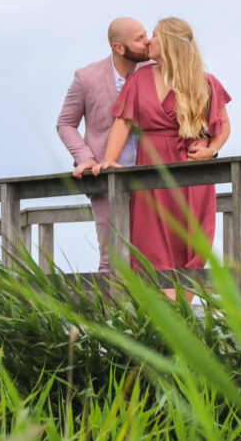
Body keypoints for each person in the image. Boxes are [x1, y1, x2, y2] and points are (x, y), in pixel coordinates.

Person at [93, 17, 230, 293]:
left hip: (192, 176)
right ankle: (169, 315)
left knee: (190, 252)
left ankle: (179, 315)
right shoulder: (138, 80)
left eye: (153, 36)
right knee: (151, 252)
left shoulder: (205, 81)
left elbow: (224, 124)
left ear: (168, 43)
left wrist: (211, 150)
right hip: (151, 174)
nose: (148, 41)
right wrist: (109, 159)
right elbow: (123, 121)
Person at [56, 18, 151, 271]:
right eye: (140, 38)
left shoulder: (156, 70)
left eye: (146, 34)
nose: (148, 42)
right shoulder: (86, 77)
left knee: (155, 259)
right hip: (106, 181)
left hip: (153, 177)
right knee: (112, 259)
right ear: (118, 47)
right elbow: (65, 123)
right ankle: (111, 300)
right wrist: (85, 158)